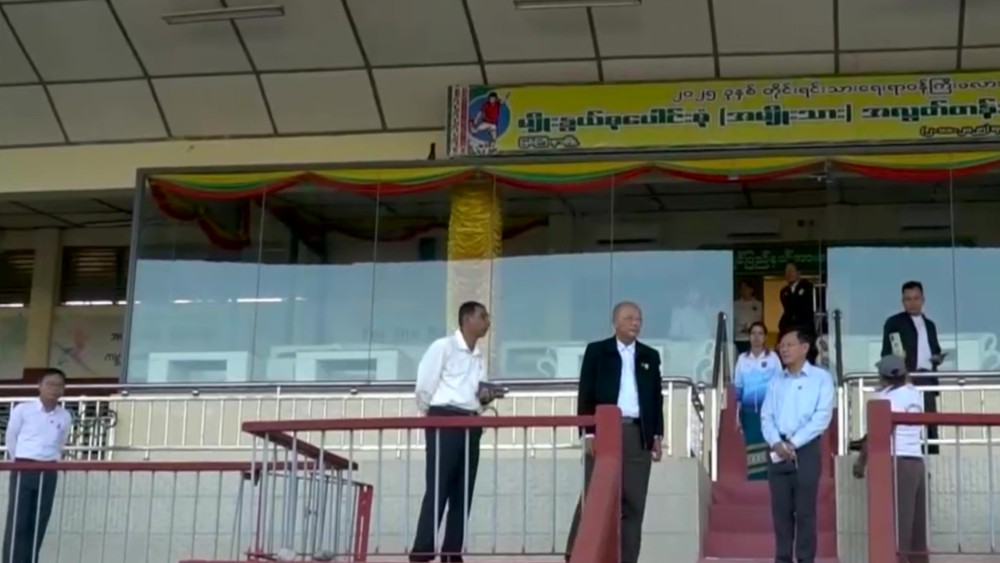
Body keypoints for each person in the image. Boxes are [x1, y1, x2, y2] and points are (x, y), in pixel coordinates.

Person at [565, 301, 664, 563]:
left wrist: (657, 435)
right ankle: (575, 554)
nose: (636, 323)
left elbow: (656, 398)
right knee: (594, 498)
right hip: (606, 432)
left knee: (634, 502)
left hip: (638, 434)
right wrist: (588, 433)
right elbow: (585, 393)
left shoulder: (649, 355)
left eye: (639, 319)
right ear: (615, 322)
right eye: (629, 318)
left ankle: (628, 558)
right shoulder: (598, 351)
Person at [410, 301, 502, 563]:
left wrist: (486, 397)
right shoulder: (444, 347)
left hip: (471, 422)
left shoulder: (479, 356)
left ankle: (452, 552)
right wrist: (431, 416)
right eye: (482, 316)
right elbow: (424, 385)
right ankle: (422, 550)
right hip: (445, 418)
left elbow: (475, 395)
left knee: (463, 489)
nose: (487, 322)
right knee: (439, 485)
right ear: (467, 319)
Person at [760, 328, 834, 563]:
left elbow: (822, 417)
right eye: (781, 346)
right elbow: (766, 416)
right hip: (777, 449)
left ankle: (805, 559)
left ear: (804, 348)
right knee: (780, 513)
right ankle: (782, 558)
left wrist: (793, 443)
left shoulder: (821, 378)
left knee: (804, 512)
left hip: (806, 448)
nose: (783, 349)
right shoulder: (776, 381)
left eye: (789, 345)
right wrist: (776, 442)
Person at [852, 355, 928, 563]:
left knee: (897, 524)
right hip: (916, 460)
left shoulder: (886, 399)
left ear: (884, 377)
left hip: (897, 461)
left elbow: (878, 434)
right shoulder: (914, 393)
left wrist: (861, 462)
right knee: (916, 525)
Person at [4, 368, 72, 563]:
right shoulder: (23, 410)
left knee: (39, 520)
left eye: (59, 385)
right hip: (24, 467)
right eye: (50, 384)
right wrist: (19, 461)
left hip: (49, 469)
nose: (54, 389)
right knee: (19, 521)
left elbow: (60, 442)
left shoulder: (65, 415)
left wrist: (50, 460)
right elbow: (11, 437)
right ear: (39, 386)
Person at [880, 281, 944, 455]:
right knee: (906, 423)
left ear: (923, 300)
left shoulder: (929, 325)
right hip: (905, 379)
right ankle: (905, 455)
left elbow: (935, 349)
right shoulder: (894, 322)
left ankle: (932, 457)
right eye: (908, 299)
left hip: (927, 378)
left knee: (930, 422)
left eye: (916, 298)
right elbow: (887, 352)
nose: (912, 303)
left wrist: (937, 357)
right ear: (902, 301)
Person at [734, 322, 782, 480]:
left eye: (760, 333)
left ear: (765, 337)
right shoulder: (742, 359)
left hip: (769, 409)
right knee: (752, 443)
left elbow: (780, 383)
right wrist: (737, 415)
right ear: (749, 337)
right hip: (749, 411)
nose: (756, 337)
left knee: (768, 440)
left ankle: (771, 477)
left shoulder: (773, 357)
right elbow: (738, 387)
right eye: (753, 333)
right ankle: (755, 478)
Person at [778, 262, 815, 334]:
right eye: (787, 271)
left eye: (791, 271)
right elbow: (787, 311)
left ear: (798, 272)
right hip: (788, 328)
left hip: (804, 328)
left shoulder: (808, 287)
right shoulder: (784, 291)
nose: (789, 274)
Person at [733, 280, 763, 355]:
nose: (743, 290)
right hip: (738, 339)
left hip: (752, 339)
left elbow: (760, 321)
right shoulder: (735, 305)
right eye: (742, 288)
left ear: (751, 289)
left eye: (745, 288)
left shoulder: (758, 304)